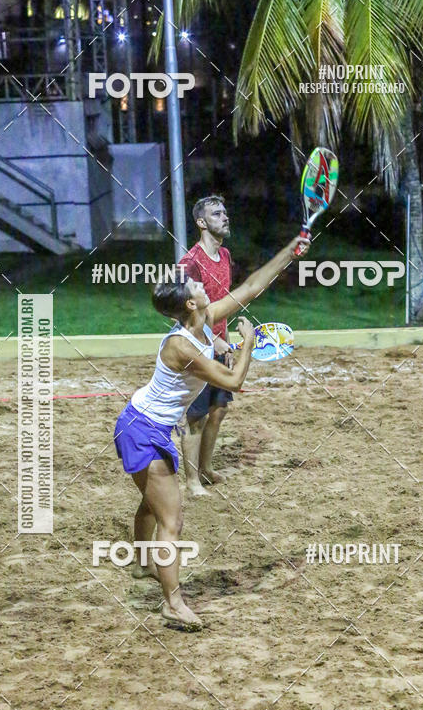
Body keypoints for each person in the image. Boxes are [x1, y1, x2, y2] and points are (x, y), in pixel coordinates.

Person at [113, 232, 310, 630]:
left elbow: (252, 286)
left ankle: (140, 563)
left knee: (154, 503)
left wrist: (292, 249)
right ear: (190, 302)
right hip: (141, 429)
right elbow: (234, 380)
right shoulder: (181, 346)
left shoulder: (202, 320)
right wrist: (248, 344)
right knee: (172, 520)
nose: (201, 283)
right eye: (195, 284)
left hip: (146, 425)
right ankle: (172, 604)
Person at [179, 195, 234, 496]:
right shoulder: (189, 262)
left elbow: (219, 305)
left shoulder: (225, 256)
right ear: (201, 222)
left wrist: (225, 339)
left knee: (218, 409)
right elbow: (183, 315)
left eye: (225, 212)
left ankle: (206, 468)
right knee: (195, 418)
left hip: (219, 345)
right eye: (216, 214)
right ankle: (191, 481)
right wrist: (214, 341)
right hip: (197, 348)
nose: (224, 217)